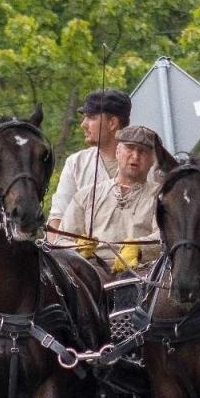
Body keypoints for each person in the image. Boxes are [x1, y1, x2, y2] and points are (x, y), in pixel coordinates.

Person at [61, 123, 168, 273]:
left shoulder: (162, 196)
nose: (135, 156)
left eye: (143, 151)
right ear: (118, 152)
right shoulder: (86, 195)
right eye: (130, 148)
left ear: (153, 160)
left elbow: (166, 236)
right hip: (88, 275)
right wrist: (76, 247)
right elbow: (61, 239)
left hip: (141, 275)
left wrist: (139, 248)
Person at [48, 88, 130, 240]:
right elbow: (57, 219)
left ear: (112, 123)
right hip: (80, 255)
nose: (83, 124)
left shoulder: (148, 164)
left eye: (91, 117)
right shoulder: (76, 164)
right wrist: (57, 251)